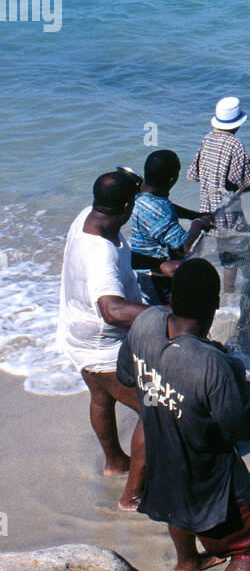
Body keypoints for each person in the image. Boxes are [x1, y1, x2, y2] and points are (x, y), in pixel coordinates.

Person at [116, 257, 250, 571]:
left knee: (178, 509)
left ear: (171, 298)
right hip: (211, 483)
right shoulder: (213, 365)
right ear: (215, 306)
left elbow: (128, 375)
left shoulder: (144, 323)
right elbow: (239, 430)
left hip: (163, 467)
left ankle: (187, 562)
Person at [57, 170, 147, 509]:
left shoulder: (89, 217)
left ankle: (115, 463)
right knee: (154, 414)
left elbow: (119, 261)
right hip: (102, 346)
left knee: (100, 396)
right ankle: (132, 495)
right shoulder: (100, 254)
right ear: (126, 205)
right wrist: (169, 313)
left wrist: (156, 263)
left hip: (76, 333)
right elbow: (112, 309)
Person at [187, 96, 250, 295]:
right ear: (238, 125)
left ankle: (227, 295)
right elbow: (243, 183)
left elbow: (194, 174)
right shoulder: (236, 146)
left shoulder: (207, 139)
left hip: (207, 212)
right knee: (239, 254)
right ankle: (230, 292)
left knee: (226, 252)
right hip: (228, 214)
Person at [130, 149, 212, 299]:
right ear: (172, 180)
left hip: (139, 268)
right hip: (156, 277)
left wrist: (195, 215)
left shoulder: (141, 194)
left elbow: (167, 206)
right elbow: (182, 249)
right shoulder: (159, 211)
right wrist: (198, 223)